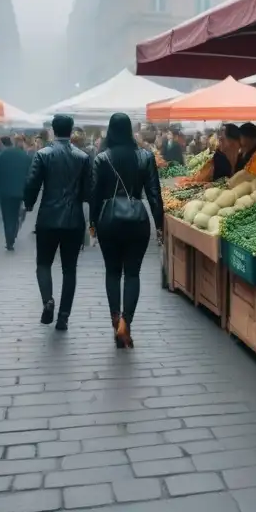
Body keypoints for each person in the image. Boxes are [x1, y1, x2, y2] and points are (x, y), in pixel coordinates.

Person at [90, 112, 163, 348]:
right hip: (137, 220)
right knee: (132, 274)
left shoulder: (102, 158)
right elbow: (154, 194)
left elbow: (94, 195)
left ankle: (115, 320)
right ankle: (126, 323)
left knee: (112, 272)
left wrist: (92, 222)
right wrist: (159, 224)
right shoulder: (145, 156)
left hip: (108, 221)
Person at [24, 114, 91, 330]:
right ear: (71, 131)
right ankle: (64, 316)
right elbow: (89, 190)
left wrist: (29, 203)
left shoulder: (43, 155)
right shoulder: (82, 157)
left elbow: (32, 182)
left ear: (53, 130)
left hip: (48, 219)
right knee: (69, 269)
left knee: (43, 263)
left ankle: (48, 300)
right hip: (73, 220)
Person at [0, 136, 31, 251]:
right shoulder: (25, 157)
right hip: (20, 192)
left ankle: (9, 239)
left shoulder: (4, 155)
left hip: (5, 191)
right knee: (16, 215)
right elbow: (30, 176)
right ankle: (13, 235)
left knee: (7, 216)